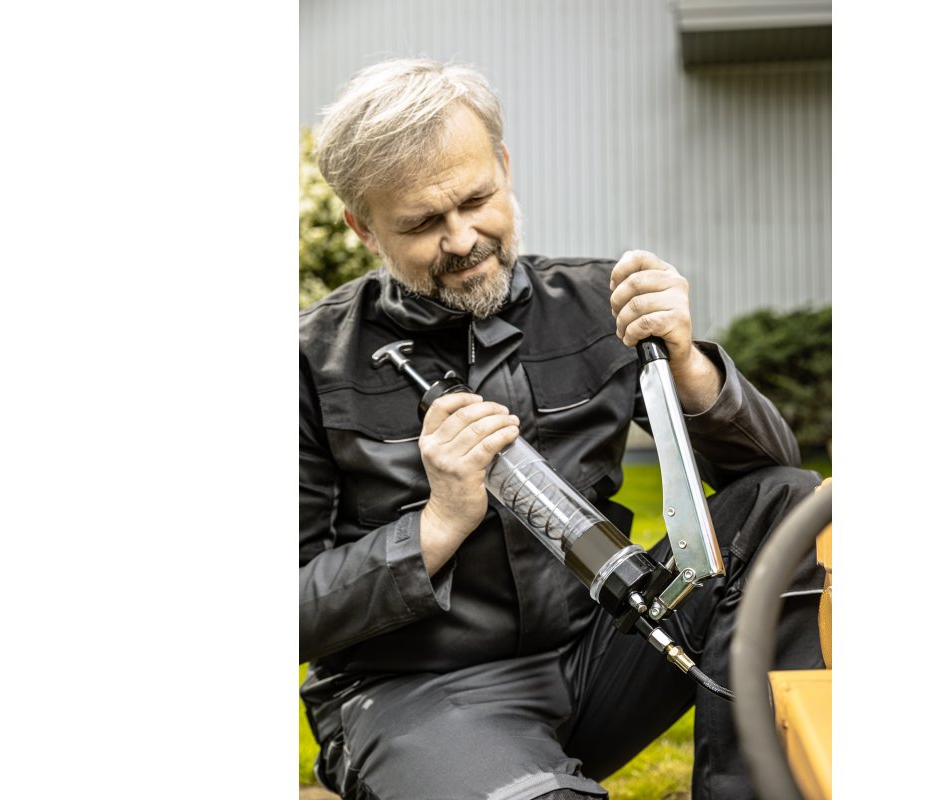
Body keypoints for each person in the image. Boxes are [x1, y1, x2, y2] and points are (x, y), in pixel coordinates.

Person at [300, 58, 824, 800]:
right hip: (416, 696)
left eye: (477, 199)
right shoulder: (309, 362)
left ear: (504, 167)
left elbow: (770, 473)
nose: (462, 238)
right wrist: (437, 525)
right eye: (421, 223)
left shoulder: (596, 303)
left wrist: (687, 364)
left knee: (787, 505)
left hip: (608, 650)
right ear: (363, 227)